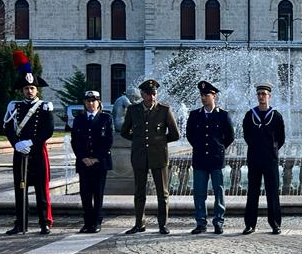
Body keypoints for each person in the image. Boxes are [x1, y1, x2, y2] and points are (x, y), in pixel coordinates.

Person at [120, 79, 180, 234]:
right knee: (139, 192)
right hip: (139, 155)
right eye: (148, 94)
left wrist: (159, 141)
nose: (152, 97)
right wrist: (138, 140)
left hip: (159, 156)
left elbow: (175, 134)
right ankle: (139, 223)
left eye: (154, 93)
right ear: (142, 94)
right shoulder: (134, 110)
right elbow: (124, 131)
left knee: (162, 192)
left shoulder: (164, 110)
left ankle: (163, 224)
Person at [4, 52, 54, 235]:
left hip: (38, 152)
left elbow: (48, 130)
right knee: (20, 188)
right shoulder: (14, 107)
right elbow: (8, 128)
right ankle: (21, 223)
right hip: (20, 152)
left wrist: (31, 142)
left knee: (42, 189)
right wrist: (16, 144)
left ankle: (45, 222)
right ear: (22, 90)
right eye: (26, 88)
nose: (29, 91)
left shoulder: (44, 107)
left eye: (32, 88)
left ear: (37, 90)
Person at [186, 80, 235, 235]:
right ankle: (201, 223)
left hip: (216, 160)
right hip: (200, 159)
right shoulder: (194, 115)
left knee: (219, 192)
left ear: (214, 96)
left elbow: (230, 136)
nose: (203, 97)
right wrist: (201, 148)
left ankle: (218, 222)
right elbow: (190, 136)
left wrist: (219, 148)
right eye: (202, 95)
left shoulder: (223, 115)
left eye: (206, 95)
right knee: (199, 193)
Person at [242, 82, 286, 235]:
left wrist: (272, 149)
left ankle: (275, 224)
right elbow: (246, 135)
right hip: (254, 159)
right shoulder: (250, 115)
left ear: (269, 96)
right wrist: (256, 148)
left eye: (264, 94)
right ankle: (250, 224)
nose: (261, 96)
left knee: (272, 192)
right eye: (259, 93)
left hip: (270, 160)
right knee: (252, 192)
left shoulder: (276, 116)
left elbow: (281, 138)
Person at [71, 90, 112, 233]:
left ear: (98, 102)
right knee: (85, 193)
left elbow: (108, 141)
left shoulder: (106, 118)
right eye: (88, 101)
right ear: (85, 103)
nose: (91, 104)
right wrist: (83, 157)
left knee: (98, 192)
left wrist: (95, 158)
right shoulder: (79, 119)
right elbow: (75, 141)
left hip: (100, 162)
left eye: (93, 101)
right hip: (84, 162)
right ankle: (87, 222)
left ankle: (97, 221)